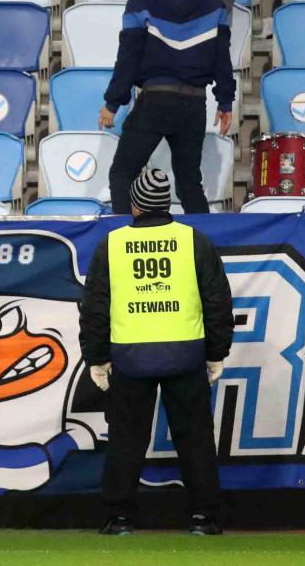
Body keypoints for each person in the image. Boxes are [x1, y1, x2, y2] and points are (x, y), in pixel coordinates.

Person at [80, 166, 233, 537]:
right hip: (185, 354)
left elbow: (96, 308)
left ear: (135, 206)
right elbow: (217, 302)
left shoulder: (111, 245)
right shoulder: (194, 241)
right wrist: (216, 352)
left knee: (126, 440)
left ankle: (119, 518)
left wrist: (96, 358)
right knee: (195, 437)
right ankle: (203, 517)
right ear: (167, 204)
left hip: (130, 358)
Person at [99, 0, 236, 217]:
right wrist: (226, 101)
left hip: (155, 101)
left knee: (122, 175)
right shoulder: (213, 4)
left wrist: (112, 102)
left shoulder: (142, 0)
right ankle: (206, 250)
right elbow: (222, 59)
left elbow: (128, 57)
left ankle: (125, 243)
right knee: (189, 183)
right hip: (194, 104)